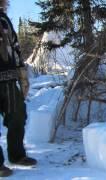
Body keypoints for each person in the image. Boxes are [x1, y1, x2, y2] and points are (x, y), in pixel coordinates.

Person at [0, 0, 36, 177]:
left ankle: (17, 155)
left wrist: (22, 72)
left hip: (8, 79)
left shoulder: (3, 20)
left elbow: (15, 47)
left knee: (18, 115)